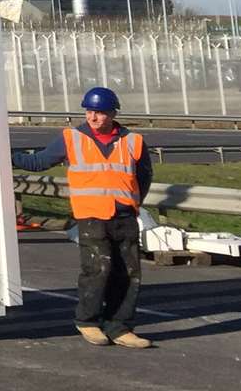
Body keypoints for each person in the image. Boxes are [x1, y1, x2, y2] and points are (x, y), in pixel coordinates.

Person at [11, 85, 153, 348]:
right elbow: (40, 161)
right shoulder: (72, 138)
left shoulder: (133, 141)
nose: (93, 118)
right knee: (98, 268)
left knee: (128, 273)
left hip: (124, 215)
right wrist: (10, 157)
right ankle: (88, 321)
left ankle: (120, 327)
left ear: (112, 113)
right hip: (91, 215)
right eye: (89, 112)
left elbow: (144, 177)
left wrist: (133, 204)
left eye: (99, 113)